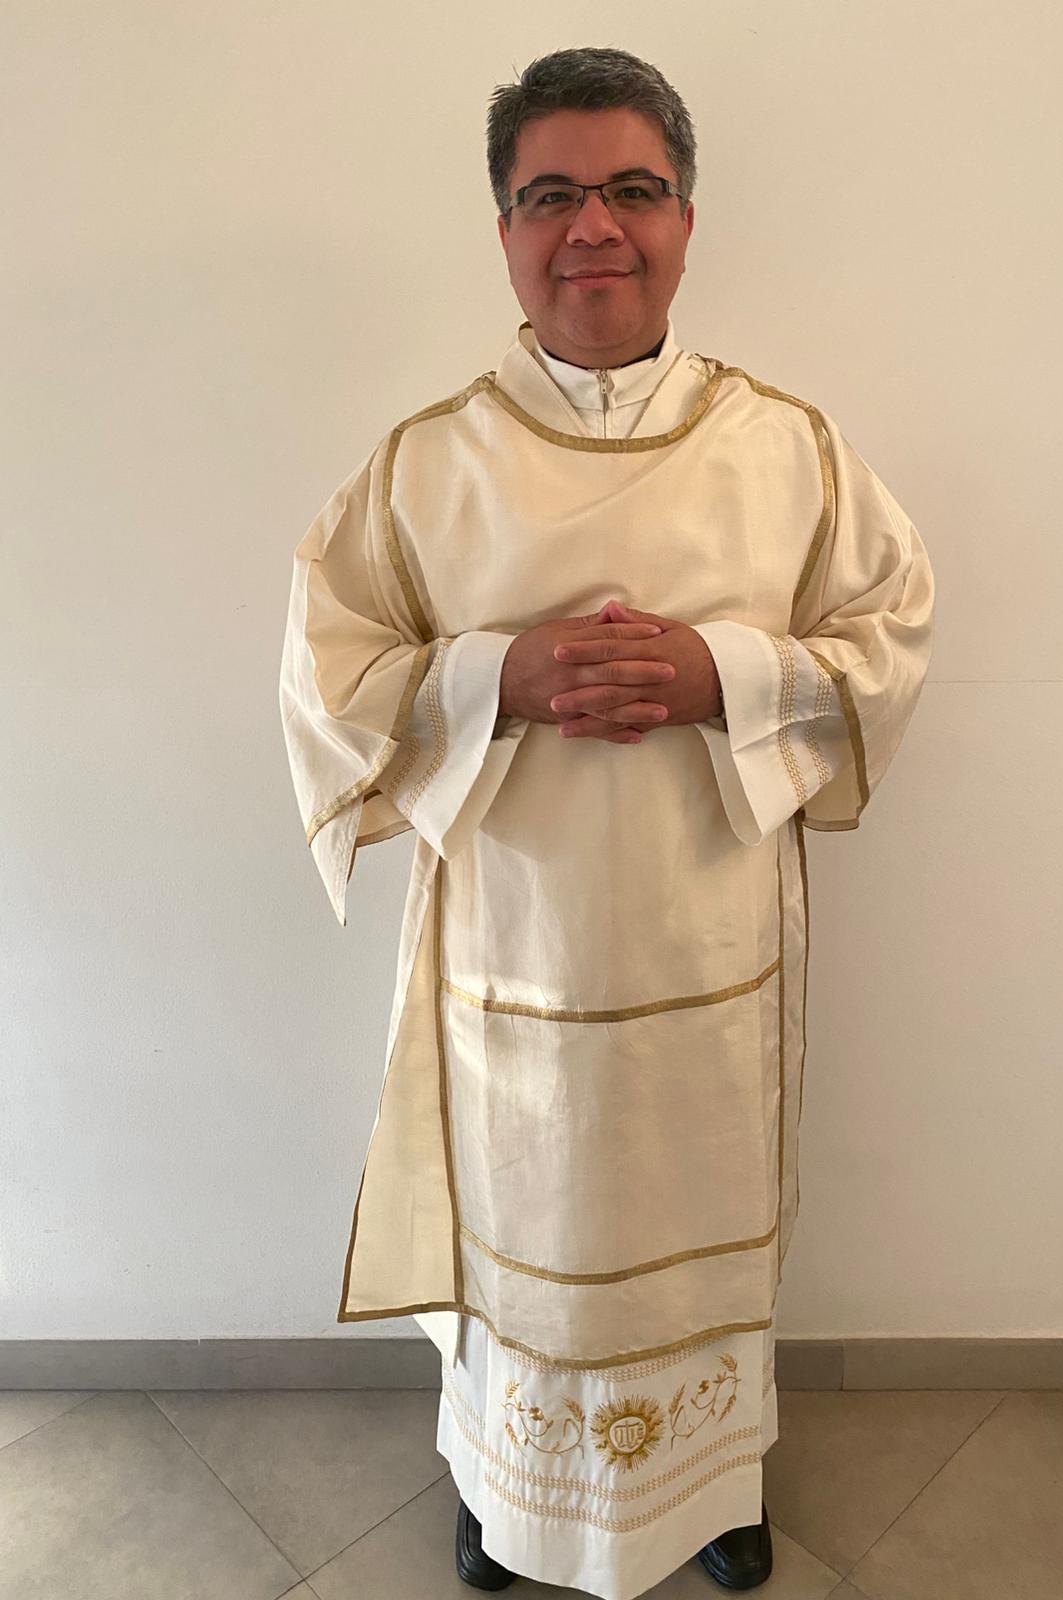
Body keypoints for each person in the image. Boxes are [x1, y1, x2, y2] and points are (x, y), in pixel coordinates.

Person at [278, 44, 935, 1600]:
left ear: (687, 220)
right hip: (517, 945)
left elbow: (890, 635)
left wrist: (725, 676)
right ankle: (508, 1494)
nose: (595, 227)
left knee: (699, 1202)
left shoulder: (788, 447)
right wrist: (498, 678)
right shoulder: (426, 463)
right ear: (505, 229)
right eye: (551, 195)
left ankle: (707, 1489)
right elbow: (325, 675)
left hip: (712, 934)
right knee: (529, 1210)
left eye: (634, 189)